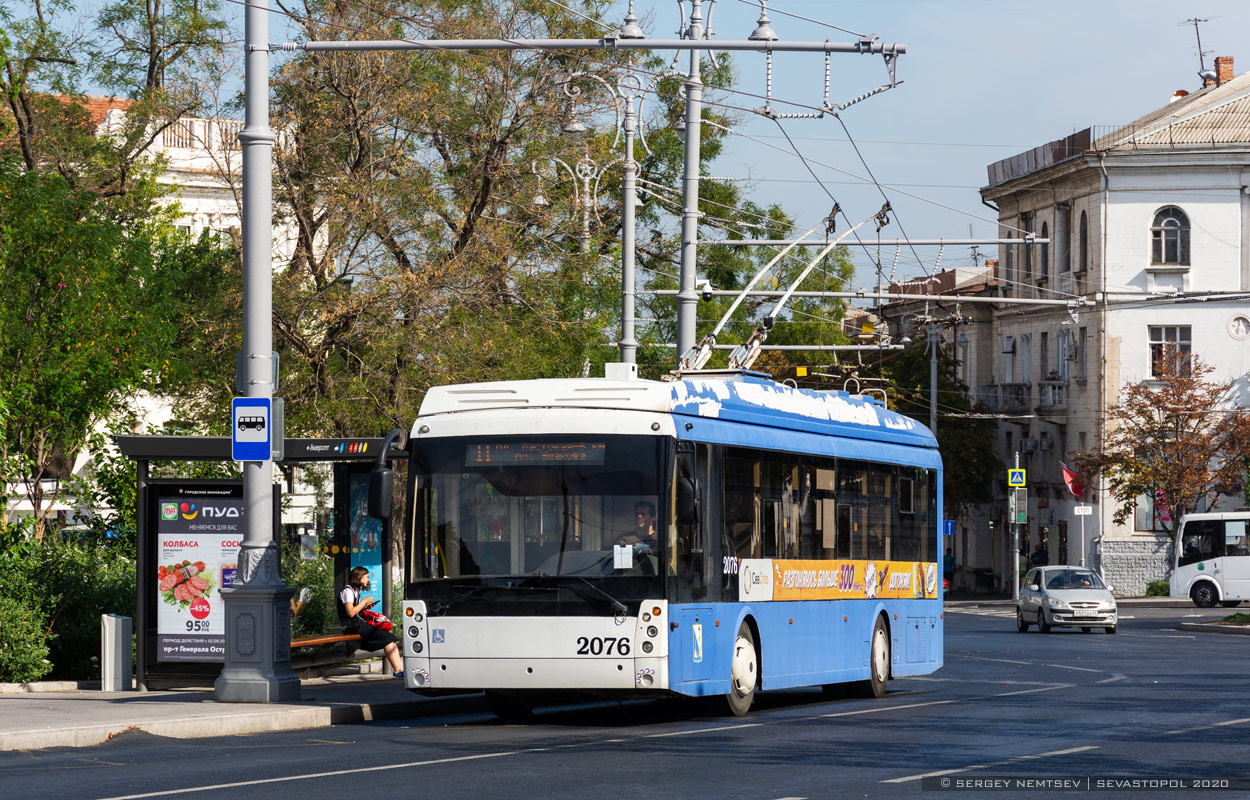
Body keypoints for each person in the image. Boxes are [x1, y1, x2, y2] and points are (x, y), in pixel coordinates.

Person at [339, 566, 404, 677]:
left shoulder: (356, 590)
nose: (368, 580)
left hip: (357, 625)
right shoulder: (347, 591)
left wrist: (365, 607)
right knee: (388, 638)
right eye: (367, 577)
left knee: (389, 638)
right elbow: (350, 612)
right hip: (352, 627)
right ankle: (398, 670)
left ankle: (399, 669)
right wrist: (364, 601)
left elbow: (356, 610)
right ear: (359, 577)